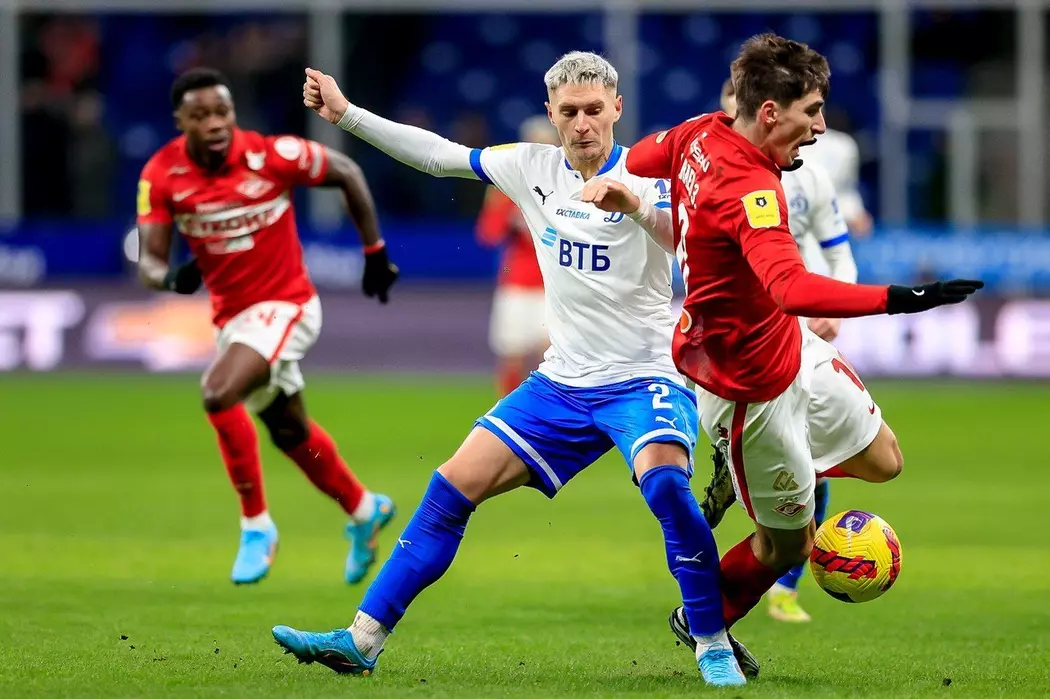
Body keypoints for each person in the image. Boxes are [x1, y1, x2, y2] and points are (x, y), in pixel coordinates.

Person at [270, 51, 750, 687]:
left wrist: (633, 204)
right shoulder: (531, 167)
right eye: (569, 112)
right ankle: (362, 640)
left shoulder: (649, 173)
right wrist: (347, 115)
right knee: (450, 486)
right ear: (551, 113)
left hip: (646, 377)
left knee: (665, 487)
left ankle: (712, 643)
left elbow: (685, 242)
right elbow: (438, 155)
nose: (582, 124)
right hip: (562, 383)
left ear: (617, 109)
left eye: (594, 110)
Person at [609, 33, 982, 673]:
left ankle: (759, 483)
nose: (821, 127)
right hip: (746, 388)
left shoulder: (700, 131)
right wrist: (902, 297)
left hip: (788, 346)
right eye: (812, 110)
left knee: (885, 461)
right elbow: (790, 287)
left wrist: (664, 181)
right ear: (770, 112)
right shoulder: (753, 189)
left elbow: (642, 156)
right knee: (787, 547)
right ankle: (704, 618)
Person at [136, 68, 400, 586]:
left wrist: (374, 252)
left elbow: (346, 170)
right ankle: (365, 509)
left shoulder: (272, 154)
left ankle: (256, 525)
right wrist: (169, 278)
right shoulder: (161, 174)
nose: (215, 123)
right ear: (180, 121)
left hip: (288, 306)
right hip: (234, 322)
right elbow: (149, 261)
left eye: (222, 112)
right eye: (200, 115)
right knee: (289, 430)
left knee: (217, 393)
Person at [721, 76, 858, 623]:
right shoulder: (710, 174)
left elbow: (839, 251)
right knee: (767, 456)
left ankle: (786, 583)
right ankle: (727, 475)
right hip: (740, 331)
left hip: (802, 324)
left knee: (813, 465)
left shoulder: (811, 178)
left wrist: (837, 307)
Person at [475, 116, 559, 396]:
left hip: (555, 286)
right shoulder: (505, 185)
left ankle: (549, 415)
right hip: (517, 283)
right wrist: (511, 220)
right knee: (511, 356)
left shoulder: (566, 184)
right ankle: (507, 413)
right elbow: (488, 234)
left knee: (554, 358)